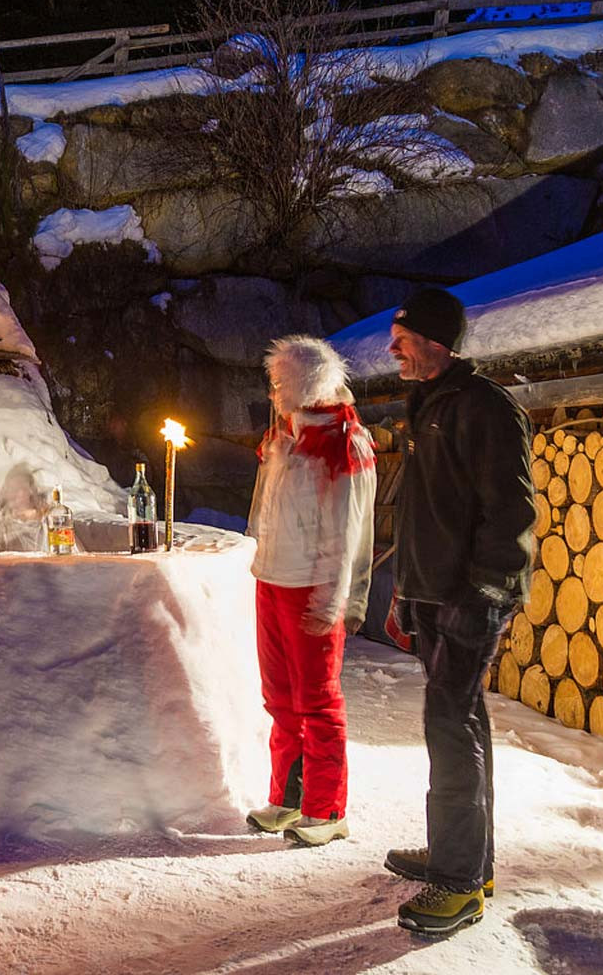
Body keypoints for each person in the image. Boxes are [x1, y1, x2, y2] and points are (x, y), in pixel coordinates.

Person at [383, 287, 535, 935]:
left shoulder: (484, 408)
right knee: (459, 724)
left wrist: (487, 596)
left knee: (449, 729)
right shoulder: (430, 405)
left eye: (403, 338)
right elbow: (425, 513)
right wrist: (402, 591)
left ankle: (458, 883)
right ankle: (467, 858)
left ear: (436, 341)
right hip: (432, 594)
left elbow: (511, 514)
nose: (391, 349)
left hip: (469, 599)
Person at [244, 335, 376, 848]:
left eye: (281, 383)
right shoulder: (284, 437)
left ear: (304, 384)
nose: (274, 393)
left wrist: (334, 596)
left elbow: (348, 530)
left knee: (317, 700)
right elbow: (265, 507)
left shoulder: (343, 443)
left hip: (311, 588)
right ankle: (287, 798)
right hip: (274, 580)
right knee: (280, 698)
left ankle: (327, 808)